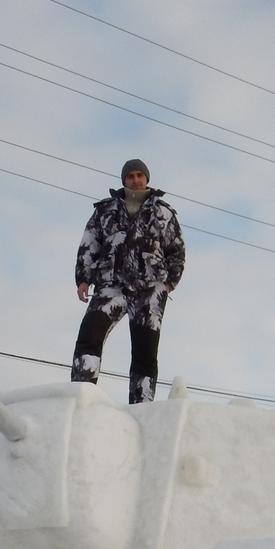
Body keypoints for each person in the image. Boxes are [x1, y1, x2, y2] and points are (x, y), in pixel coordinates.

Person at [70, 159, 185, 403]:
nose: (135, 179)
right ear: (124, 180)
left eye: (139, 175)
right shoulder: (105, 210)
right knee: (89, 335)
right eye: (130, 175)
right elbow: (90, 244)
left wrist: (167, 284)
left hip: (149, 290)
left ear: (146, 179)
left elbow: (176, 250)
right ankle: (82, 392)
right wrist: (83, 278)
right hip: (111, 285)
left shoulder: (162, 212)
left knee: (145, 351)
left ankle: (141, 405)